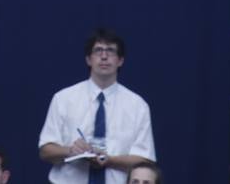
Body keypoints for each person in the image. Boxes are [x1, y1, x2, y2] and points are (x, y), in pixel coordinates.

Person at [39, 28, 155, 184]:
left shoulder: (138, 106)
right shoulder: (63, 99)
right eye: (98, 50)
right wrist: (71, 151)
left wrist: (109, 160)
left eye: (111, 51)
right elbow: (45, 151)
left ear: (121, 60)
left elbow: (145, 161)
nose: (104, 56)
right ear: (88, 59)